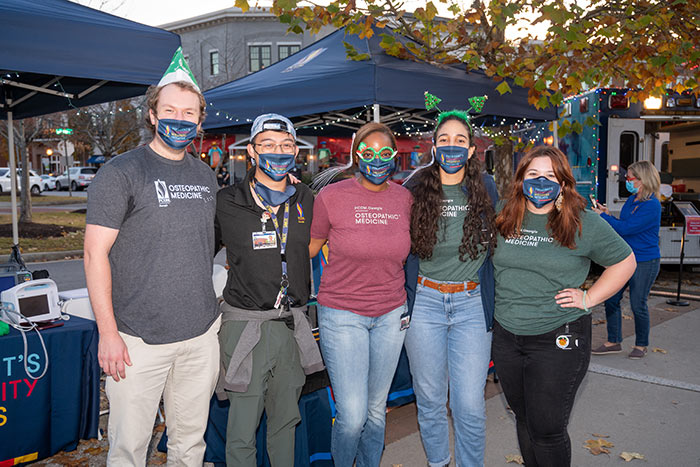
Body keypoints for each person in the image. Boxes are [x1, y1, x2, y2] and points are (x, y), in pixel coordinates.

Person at [84, 50, 221, 466]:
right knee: (129, 449)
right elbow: (94, 254)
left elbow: (200, 245)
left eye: (189, 113)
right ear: (152, 115)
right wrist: (109, 334)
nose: (179, 120)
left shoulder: (205, 175)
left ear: (200, 122)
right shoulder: (121, 172)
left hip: (200, 335)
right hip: (137, 341)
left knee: (189, 445)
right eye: (170, 110)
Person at [491, 146, 636, 466]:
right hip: (507, 336)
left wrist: (589, 298)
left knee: (548, 429)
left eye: (550, 176)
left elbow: (625, 262)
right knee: (525, 420)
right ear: (520, 180)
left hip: (558, 335)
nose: (540, 182)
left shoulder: (581, 221)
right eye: (533, 175)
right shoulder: (503, 214)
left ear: (563, 182)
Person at [216, 113, 324, 466]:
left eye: (286, 145)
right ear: (251, 151)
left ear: (296, 151)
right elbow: (198, 253)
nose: (277, 152)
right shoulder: (227, 202)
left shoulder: (306, 199)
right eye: (268, 145)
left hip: (292, 326)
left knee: (286, 422)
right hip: (245, 326)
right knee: (243, 428)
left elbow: (315, 247)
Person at [309, 122, 412, 466]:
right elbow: (307, 248)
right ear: (356, 156)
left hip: (391, 314)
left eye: (385, 153)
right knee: (352, 416)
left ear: (394, 157)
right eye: (368, 153)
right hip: (342, 315)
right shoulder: (331, 197)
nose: (377, 160)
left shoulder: (404, 198)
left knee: (376, 412)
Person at [403, 111, 497, 467]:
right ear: (434, 146)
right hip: (424, 302)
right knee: (429, 399)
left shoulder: (485, 188)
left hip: (472, 304)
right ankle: (438, 463)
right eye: (445, 139)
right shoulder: (415, 185)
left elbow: (509, 227)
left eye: (461, 140)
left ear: (472, 149)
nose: (452, 146)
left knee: (469, 404)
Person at [591, 160, 662, 359]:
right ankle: (614, 341)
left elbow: (626, 229)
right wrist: (608, 214)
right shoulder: (633, 200)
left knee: (638, 303)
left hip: (645, 261)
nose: (627, 181)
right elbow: (625, 224)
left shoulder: (652, 205)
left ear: (642, 180)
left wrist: (604, 218)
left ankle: (641, 345)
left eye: (630, 178)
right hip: (626, 258)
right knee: (611, 299)